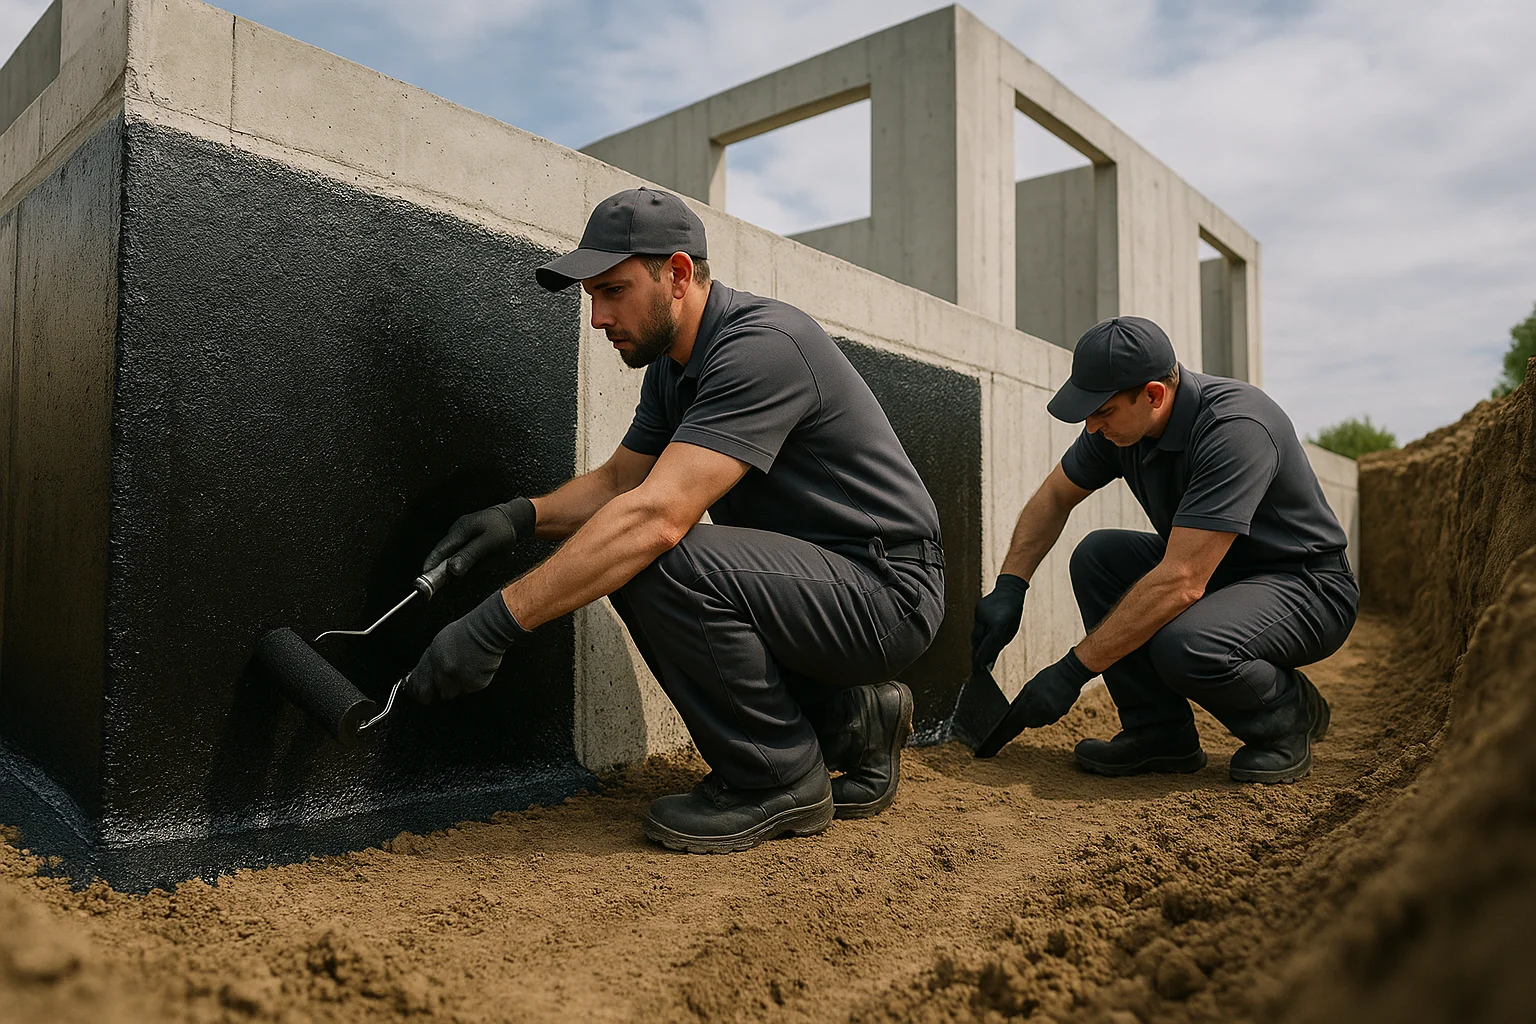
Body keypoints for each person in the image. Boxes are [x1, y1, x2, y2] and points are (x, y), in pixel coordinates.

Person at [406, 187, 947, 850]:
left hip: (887, 590)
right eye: (592, 298)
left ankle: (778, 778)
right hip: (818, 586)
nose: (600, 317)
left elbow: (656, 516)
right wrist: (517, 518)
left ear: (680, 274)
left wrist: (496, 623)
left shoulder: (763, 345)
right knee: (642, 544)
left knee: (659, 554)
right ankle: (853, 718)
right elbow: (618, 483)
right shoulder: (673, 368)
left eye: (614, 291)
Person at [969, 316, 1357, 784]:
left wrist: (1071, 671)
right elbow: (1054, 496)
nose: (1091, 427)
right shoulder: (1121, 429)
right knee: (1099, 557)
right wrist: (1011, 585)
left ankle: (1287, 717)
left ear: (1153, 394)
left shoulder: (1235, 427)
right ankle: (1159, 734)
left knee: (1188, 644)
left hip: (1306, 585)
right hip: (1225, 576)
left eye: (1103, 411)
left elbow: (1182, 581)